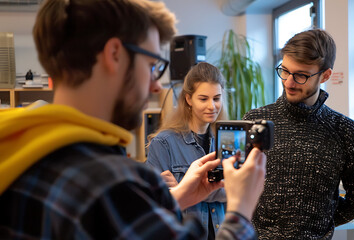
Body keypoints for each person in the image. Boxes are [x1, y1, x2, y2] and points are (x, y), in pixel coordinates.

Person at [0, 0, 266, 239]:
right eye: (152, 66)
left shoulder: (18, 153)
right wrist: (241, 210)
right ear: (114, 55)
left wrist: (178, 197)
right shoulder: (112, 186)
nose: (155, 87)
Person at [243, 29, 354, 239]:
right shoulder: (255, 120)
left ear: (325, 75)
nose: (288, 82)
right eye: (284, 71)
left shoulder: (347, 131)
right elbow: (239, 184)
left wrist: (318, 223)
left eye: (301, 75)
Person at [146, 62, 227, 240]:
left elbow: (234, 192)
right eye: (203, 99)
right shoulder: (163, 143)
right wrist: (216, 189)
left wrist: (182, 189)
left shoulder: (226, 139)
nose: (212, 106)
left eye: (216, 98)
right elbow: (155, 201)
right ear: (189, 99)